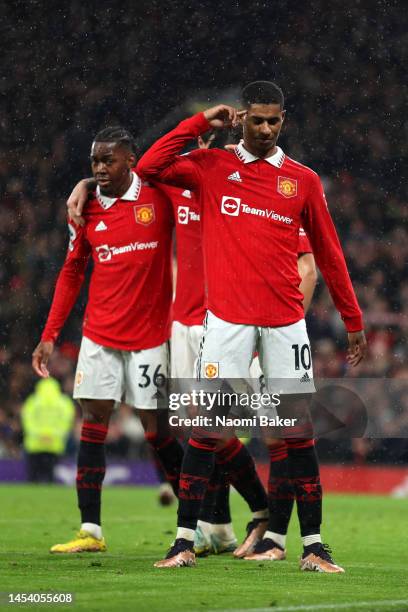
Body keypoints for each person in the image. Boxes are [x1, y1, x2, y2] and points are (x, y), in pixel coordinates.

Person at [136, 80, 367, 571]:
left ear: (284, 121)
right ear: (242, 117)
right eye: (256, 119)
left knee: (297, 434)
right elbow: (148, 166)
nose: (264, 129)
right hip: (226, 322)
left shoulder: (302, 180)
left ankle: (314, 546)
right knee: (207, 429)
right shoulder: (212, 166)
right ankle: (182, 542)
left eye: (273, 121)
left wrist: (353, 318)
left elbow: (328, 252)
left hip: (285, 324)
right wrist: (201, 123)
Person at [32, 127, 184, 553]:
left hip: (151, 336)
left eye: (108, 160)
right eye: (94, 162)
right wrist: (49, 335)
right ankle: (91, 531)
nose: (99, 168)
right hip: (99, 335)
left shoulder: (159, 197)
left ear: (130, 159)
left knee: (156, 431)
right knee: (93, 424)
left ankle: (197, 521)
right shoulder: (84, 209)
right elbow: (71, 271)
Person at [21, 377, 75, 483]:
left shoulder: (33, 401)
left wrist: (40, 435)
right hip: (54, 445)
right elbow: (66, 422)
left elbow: (27, 421)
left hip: (35, 445)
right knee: (50, 476)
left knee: (33, 478)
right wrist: (52, 436)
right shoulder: (63, 402)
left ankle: (32, 497)